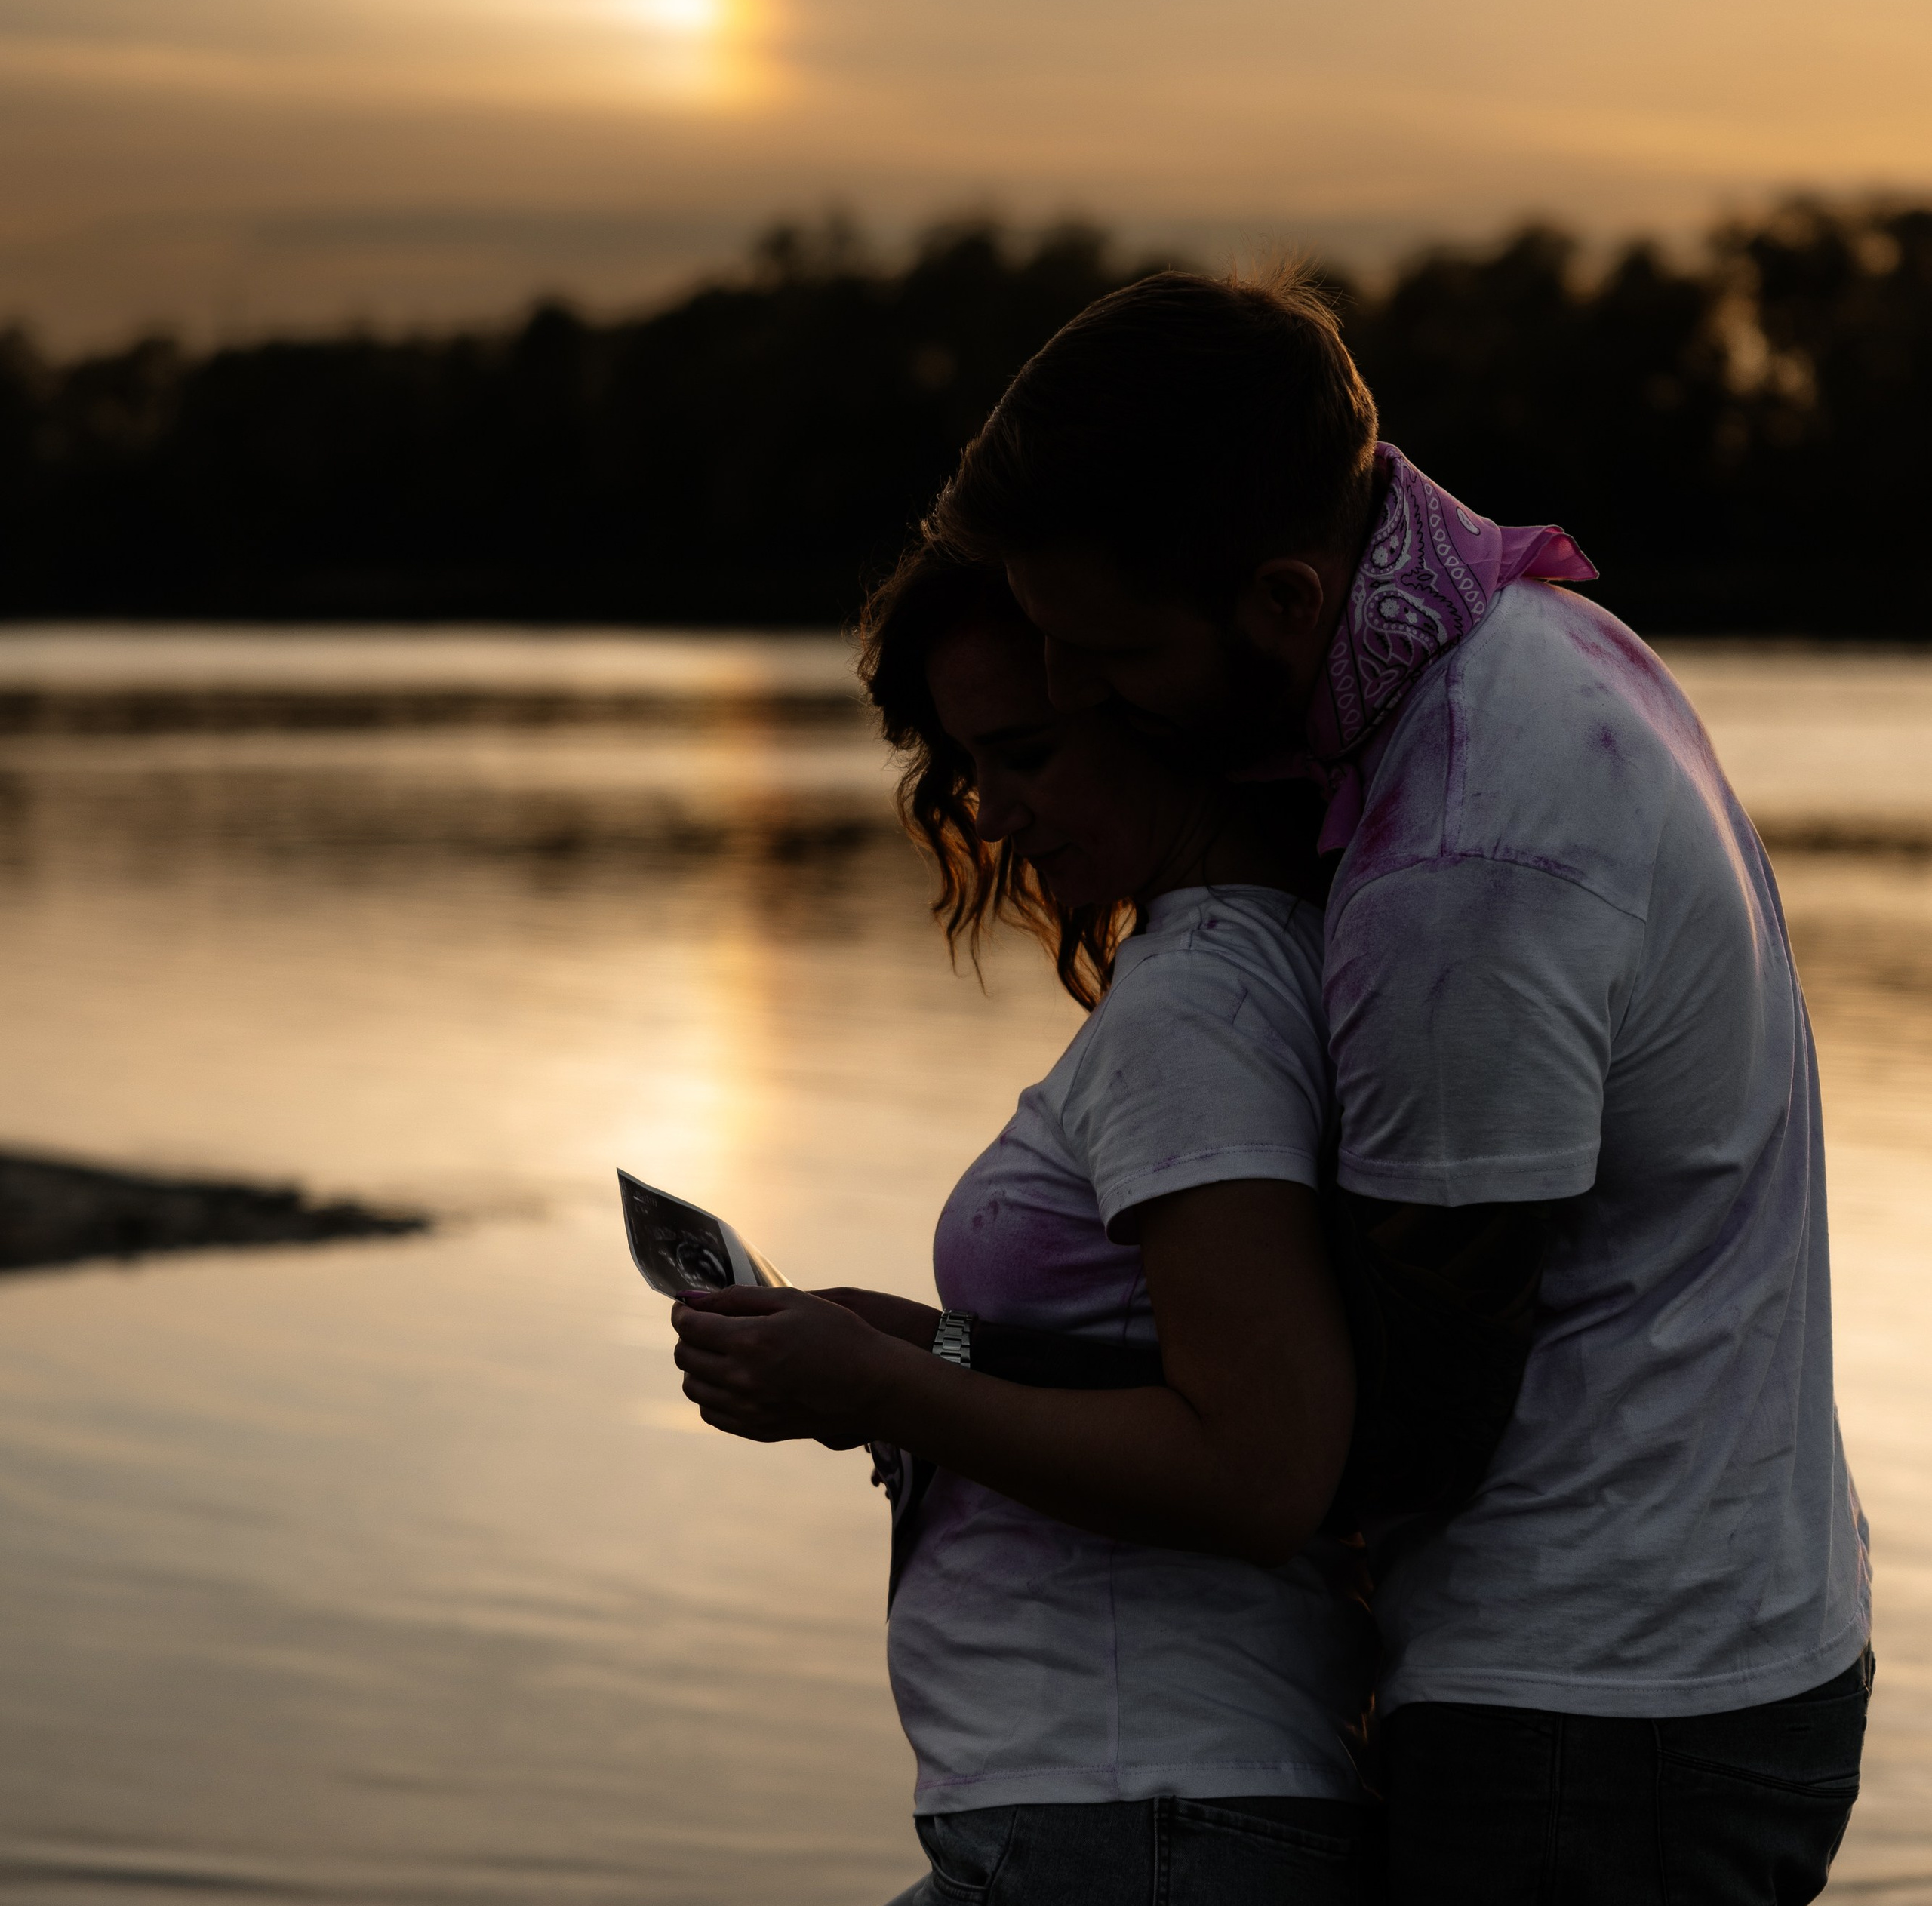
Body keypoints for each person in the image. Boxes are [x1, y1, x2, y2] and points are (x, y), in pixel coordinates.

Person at [919, 266, 1872, 1904]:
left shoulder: (1466, 854)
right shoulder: (1526, 643)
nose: (1068, 694)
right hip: (1673, 1651)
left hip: (1594, 1713)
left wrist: (929, 1390)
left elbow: (1386, 1422)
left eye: (1110, 653)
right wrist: (953, 1347)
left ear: (1283, 598)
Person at [672, 551, 1383, 1904]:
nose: (992, 814)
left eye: (1029, 752)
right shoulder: (1236, 967)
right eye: (970, 766)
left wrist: (879, 1387)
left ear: (1155, 703)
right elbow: (1137, 1367)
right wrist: (917, 1342)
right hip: (1123, 1812)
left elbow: (1259, 1469)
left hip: (1136, 1815)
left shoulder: (1198, 1011)